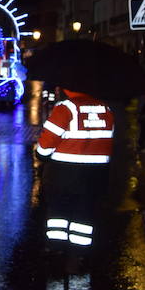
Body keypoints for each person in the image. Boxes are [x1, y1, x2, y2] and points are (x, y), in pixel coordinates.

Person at [36, 87, 115, 270]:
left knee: (59, 211)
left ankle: (56, 249)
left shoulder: (66, 108)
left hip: (64, 172)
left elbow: (45, 146)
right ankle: (79, 254)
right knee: (85, 212)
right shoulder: (105, 109)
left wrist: (41, 154)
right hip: (96, 173)